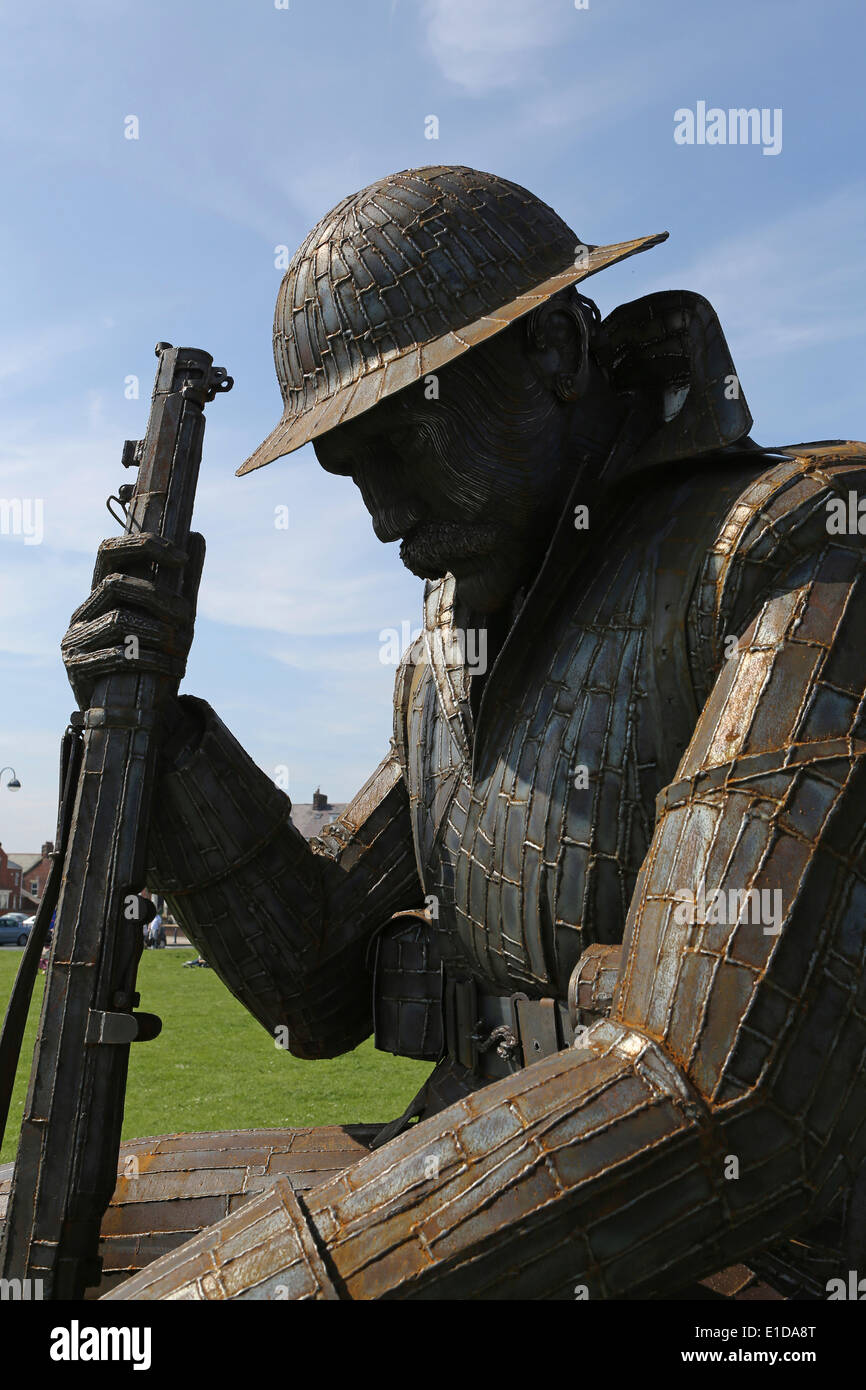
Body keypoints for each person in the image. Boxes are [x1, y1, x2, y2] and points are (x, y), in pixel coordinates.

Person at [60, 166, 866, 1301]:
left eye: (403, 442)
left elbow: (717, 1098)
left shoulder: (794, 554)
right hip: (473, 1147)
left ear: (552, 354)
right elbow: (317, 988)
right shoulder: (448, 659)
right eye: (351, 472)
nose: (384, 515)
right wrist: (164, 737)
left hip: (746, 1256)